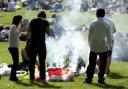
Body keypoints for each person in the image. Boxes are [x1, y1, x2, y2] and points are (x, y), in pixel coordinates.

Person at [84, 8, 112, 84]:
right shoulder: (107, 25)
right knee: (103, 65)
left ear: (96, 14)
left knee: (91, 64)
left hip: (93, 46)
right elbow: (109, 38)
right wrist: (109, 48)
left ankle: (88, 79)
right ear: (104, 15)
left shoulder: (92, 24)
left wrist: (90, 45)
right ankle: (101, 79)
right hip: (103, 46)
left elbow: (89, 37)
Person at [28, 11, 52, 83]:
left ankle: (31, 78)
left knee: (32, 61)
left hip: (32, 43)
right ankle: (43, 78)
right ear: (44, 16)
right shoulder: (45, 22)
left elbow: (28, 31)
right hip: (41, 44)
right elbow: (49, 33)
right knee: (42, 61)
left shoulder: (32, 21)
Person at [8, 15, 23, 81]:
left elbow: (17, 35)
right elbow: (16, 34)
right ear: (18, 20)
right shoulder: (13, 26)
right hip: (13, 47)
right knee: (16, 62)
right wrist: (21, 28)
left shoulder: (15, 26)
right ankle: (12, 76)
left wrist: (20, 28)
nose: (21, 21)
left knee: (16, 62)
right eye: (20, 20)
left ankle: (13, 76)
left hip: (14, 47)